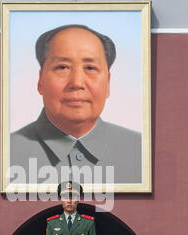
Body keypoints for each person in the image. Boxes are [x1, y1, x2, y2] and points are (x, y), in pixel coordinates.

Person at [10, 24, 142, 185]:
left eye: (90, 68)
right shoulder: (6, 153)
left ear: (107, 83)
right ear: (40, 81)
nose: (77, 82)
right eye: (63, 67)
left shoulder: (141, 151)